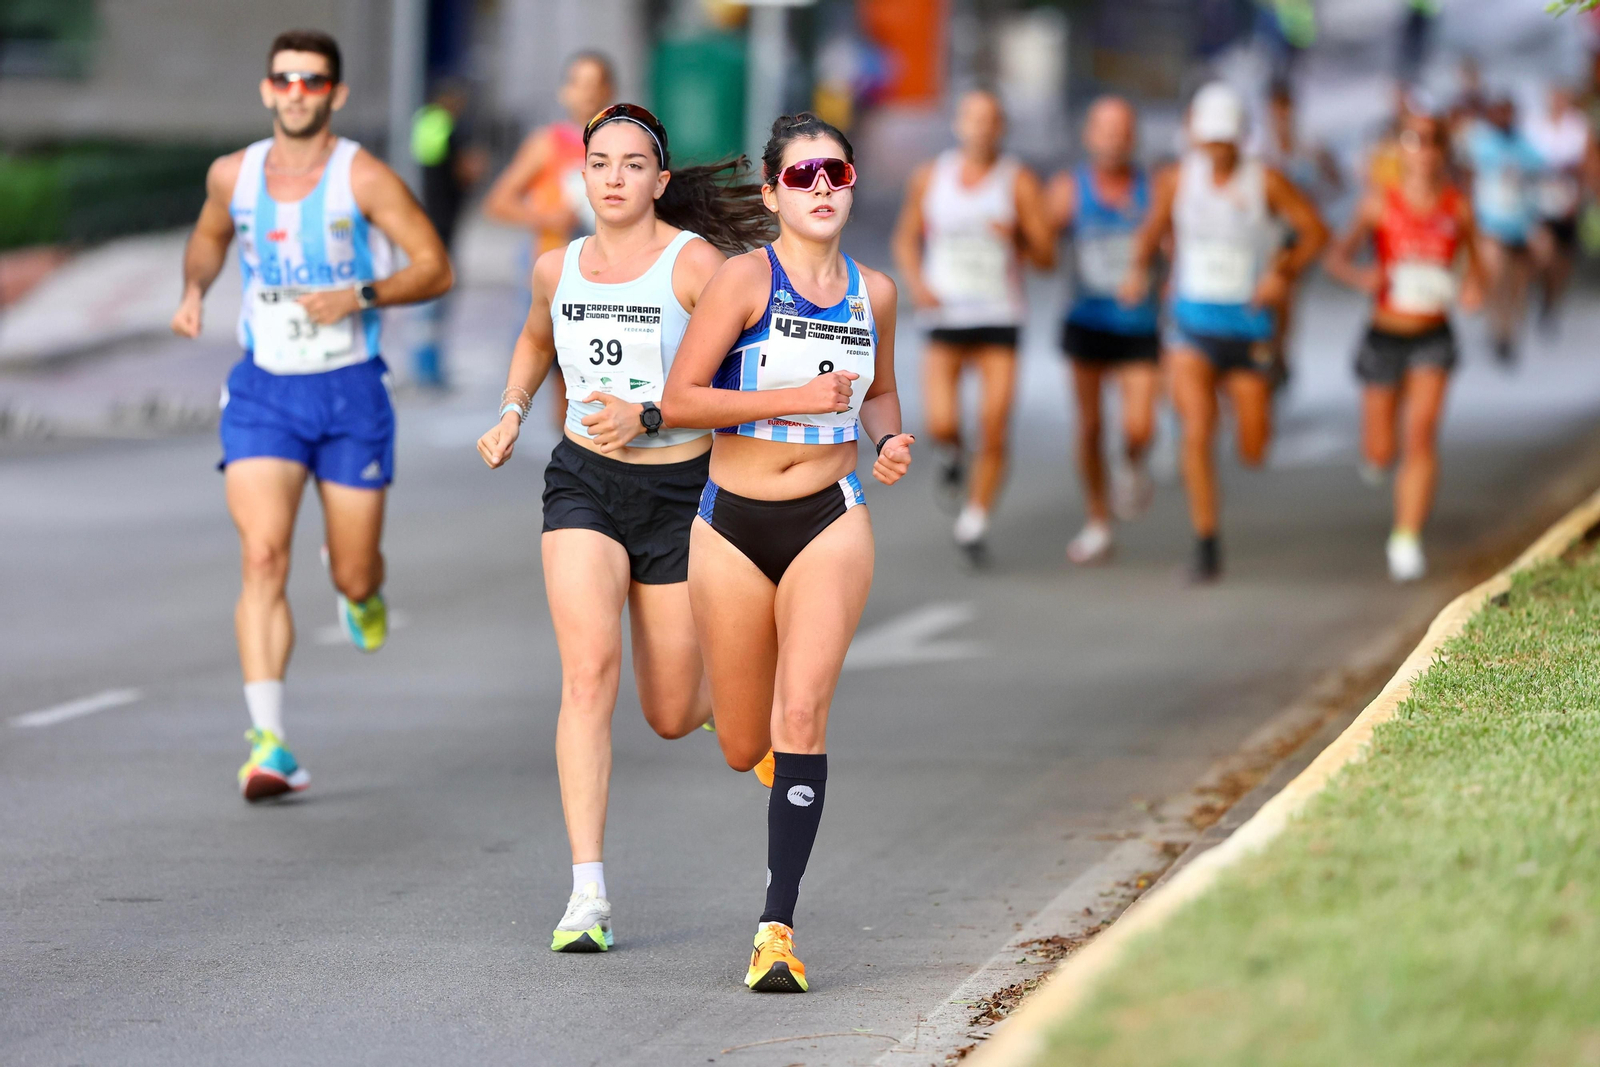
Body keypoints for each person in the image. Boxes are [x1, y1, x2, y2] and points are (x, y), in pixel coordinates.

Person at [475, 104, 771, 953]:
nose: (614, 177)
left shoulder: (695, 265)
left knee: (671, 712)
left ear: (660, 180)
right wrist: (511, 410)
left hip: (679, 491)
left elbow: (734, 381)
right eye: (600, 162)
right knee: (586, 674)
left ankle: (736, 700)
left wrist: (655, 414)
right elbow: (536, 340)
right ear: (582, 176)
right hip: (585, 483)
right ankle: (587, 893)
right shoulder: (555, 267)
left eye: (633, 164)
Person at [662, 113, 914, 992]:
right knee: (745, 742)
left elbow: (880, 392)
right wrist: (796, 395)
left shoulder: (875, 292)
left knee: (801, 715)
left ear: (852, 183)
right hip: (731, 523)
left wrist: (888, 440)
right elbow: (680, 399)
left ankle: (777, 928)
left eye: (834, 173)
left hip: (829, 518)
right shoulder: (743, 280)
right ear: (772, 194)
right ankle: (745, 729)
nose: (821, 189)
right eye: (802, 176)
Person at [169, 30, 453, 800]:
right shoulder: (232, 174)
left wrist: (358, 295)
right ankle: (269, 743)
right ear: (268, 90)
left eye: (313, 81)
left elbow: (436, 267)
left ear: (336, 93)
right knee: (263, 555)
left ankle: (359, 589)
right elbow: (209, 237)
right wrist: (194, 290)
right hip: (265, 389)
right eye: (286, 80)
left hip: (350, 390)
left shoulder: (363, 177)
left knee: (354, 568)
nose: (298, 92)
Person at [1121, 82, 1326, 582]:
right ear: (1195, 137)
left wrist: (1282, 273)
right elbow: (1151, 230)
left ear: (1240, 138)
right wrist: (1137, 270)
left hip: (1248, 327)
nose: (1216, 150)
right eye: (1208, 140)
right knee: (1197, 431)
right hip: (1191, 325)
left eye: (1224, 141)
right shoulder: (1177, 180)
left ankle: (1252, 408)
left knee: (1254, 449)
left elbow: (1315, 232)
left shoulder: (1266, 181)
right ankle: (1206, 542)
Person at [890, 89, 1052, 562]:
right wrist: (918, 284)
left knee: (994, 424)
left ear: (1001, 128)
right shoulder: (930, 176)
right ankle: (952, 455)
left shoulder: (1018, 181)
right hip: (945, 313)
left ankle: (975, 520)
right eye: (973, 118)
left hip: (999, 315)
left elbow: (1047, 258)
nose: (981, 128)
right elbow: (905, 238)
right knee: (941, 423)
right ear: (958, 124)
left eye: (990, 120)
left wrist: (1019, 236)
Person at [1325, 109, 1484, 583]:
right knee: (1380, 452)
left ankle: (1406, 536)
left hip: (1433, 334)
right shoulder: (1378, 204)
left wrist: (1473, 288)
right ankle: (1377, 458)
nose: (1424, 149)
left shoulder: (1458, 207)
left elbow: (1477, 266)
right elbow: (1336, 257)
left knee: (1422, 433)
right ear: (1400, 148)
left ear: (1444, 150)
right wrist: (1361, 277)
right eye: (1414, 139)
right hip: (1385, 335)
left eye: (1433, 140)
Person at [1048, 96, 1162, 565]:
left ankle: (1132, 463)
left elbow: (1176, 247)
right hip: (1087, 321)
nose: (1114, 139)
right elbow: (1040, 242)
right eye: (1105, 130)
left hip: (1139, 323)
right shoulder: (1068, 188)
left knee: (1139, 427)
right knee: (1091, 427)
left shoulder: (1154, 190)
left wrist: (1155, 279)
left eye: (1122, 130)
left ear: (1133, 138)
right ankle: (1097, 520)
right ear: (1089, 136)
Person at [484, 52, 617, 419]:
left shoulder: (624, 143)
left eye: (596, 84)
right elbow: (498, 201)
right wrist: (547, 217)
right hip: (560, 276)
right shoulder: (548, 143)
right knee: (565, 382)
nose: (588, 93)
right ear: (564, 92)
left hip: (613, 276)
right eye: (579, 84)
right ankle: (568, 443)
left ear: (610, 90)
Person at [1260, 78, 1343, 390]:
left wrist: (1314, 204)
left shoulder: (1308, 146)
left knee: (1287, 296)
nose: (1280, 114)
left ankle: (1279, 352)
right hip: (1266, 233)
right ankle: (1266, 352)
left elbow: (1337, 183)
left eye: (1285, 107)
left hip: (1297, 235)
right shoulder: (1259, 147)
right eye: (1276, 107)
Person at [409, 81, 487, 387]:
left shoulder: (426, 123)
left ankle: (425, 367)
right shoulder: (447, 128)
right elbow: (461, 171)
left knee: (429, 299)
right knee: (436, 297)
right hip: (441, 225)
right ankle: (429, 370)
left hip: (430, 220)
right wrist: (473, 169)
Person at [1461, 96, 1545, 365]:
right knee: (1495, 278)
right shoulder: (1479, 143)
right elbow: (1466, 178)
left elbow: (1541, 173)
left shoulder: (1524, 145)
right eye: (1500, 113)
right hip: (1490, 224)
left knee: (1518, 285)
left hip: (1520, 224)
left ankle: (1511, 332)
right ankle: (1497, 330)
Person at [1524, 85, 1593, 332]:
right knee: (1544, 252)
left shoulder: (1578, 126)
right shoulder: (1533, 125)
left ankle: (1551, 302)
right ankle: (1537, 294)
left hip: (1568, 202)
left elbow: (1586, 165)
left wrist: (1578, 198)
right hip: (1539, 201)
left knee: (1562, 260)